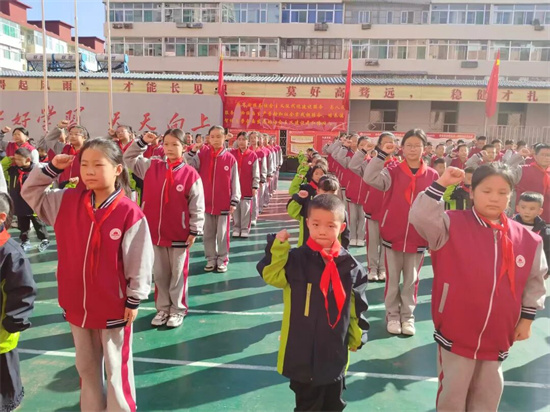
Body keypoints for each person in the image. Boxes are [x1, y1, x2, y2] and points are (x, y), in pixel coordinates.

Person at [22, 138, 154, 412]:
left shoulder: (129, 212)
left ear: (118, 169)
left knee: (116, 369)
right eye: (84, 165)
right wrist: (50, 169)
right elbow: (30, 192)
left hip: (113, 305)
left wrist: (134, 298)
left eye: (98, 165)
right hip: (76, 304)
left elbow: (139, 260)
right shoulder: (66, 201)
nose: (89, 171)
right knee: (85, 367)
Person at [410, 164, 547, 412]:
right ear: (472, 192)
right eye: (487, 191)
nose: (495, 198)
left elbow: (535, 281)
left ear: (511, 196)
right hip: (456, 328)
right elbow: (420, 216)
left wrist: (527, 318)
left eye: (502, 192)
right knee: (453, 390)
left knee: (488, 391)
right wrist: (441, 183)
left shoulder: (528, 239)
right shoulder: (450, 224)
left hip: (499, 332)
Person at [257, 194, 369, 412]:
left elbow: (357, 308)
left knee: (333, 404)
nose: (322, 231)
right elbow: (272, 275)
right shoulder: (296, 260)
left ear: (342, 227)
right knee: (307, 405)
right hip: (301, 354)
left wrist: (357, 336)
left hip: (334, 353)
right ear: (307, 223)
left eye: (330, 225)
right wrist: (278, 247)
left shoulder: (351, 267)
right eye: (316, 224)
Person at [124, 129, 205, 329]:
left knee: (177, 275)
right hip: (154, 234)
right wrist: (142, 141)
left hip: (179, 235)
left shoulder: (190, 174)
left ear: (184, 147)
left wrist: (194, 229)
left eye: (174, 145)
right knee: (160, 275)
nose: (169, 148)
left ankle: (177, 310)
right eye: (166, 144)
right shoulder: (152, 166)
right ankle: (162, 309)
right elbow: (128, 158)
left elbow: (197, 204)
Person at [361, 128, 439, 336]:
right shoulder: (392, 170)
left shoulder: (432, 175)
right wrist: (381, 155)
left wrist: (433, 236)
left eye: (417, 145)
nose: (413, 149)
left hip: (418, 237)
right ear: (402, 148)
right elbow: (370, 177)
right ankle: (393, 315)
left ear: (425, 149)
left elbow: (435, 208)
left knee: (411, 281)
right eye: (409, 145)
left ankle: (408, 316)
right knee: (393, 280)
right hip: (393, 234)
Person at [185, 126, 241, 273]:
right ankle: (210, 258)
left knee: (222, 234)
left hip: (224, 204)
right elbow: (189, 165)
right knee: (208, 234)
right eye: (213, 137)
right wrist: (193, 151)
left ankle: (222, 259)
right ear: (208, 138)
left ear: (224, 138)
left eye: (219, 137)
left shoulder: (230, 159)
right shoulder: (203, 154)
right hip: (206, 203)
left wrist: (234, 200)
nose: (215, 140)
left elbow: (235, 181)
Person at [0, 192, 36, 412]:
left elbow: (24, 290)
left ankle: (9, 403)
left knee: (5, 376)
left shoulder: (10, 253)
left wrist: (13, 321)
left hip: (2, 331)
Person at [349, 132, 399, 282]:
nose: (388, 145)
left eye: (391, 142)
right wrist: (364, 150)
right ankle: (372, 269)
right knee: (372, 242)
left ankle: (382, 269)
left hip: (390, 212)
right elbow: (353, 166)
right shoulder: (370, 163)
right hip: (373, 208)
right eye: (385, 142)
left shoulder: (398, 166)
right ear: (379, 145)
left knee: (386, 242)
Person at [7, 148, 50, 252]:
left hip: (33, 202)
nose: (16, 161)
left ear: (28, 159)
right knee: (23, 224)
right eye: (15, 159)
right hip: (19, 202)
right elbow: (2, 167)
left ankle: (44, 239)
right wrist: (8, 160)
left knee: (38, 222)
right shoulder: (13, 170)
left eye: (19, 159)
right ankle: (25, 241)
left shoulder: (36, 170)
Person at [333, 135, 367, 247]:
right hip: (352, 190)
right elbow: (338, 157)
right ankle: (352, 236)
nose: (363, 147)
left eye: (366, 145)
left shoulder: (370, 160)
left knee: (362, 216)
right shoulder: (350, 158)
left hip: (366, 193)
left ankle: (360, 237)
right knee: (352, 216)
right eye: (361, 144)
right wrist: (344, 146)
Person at [287, 164, 328, 246]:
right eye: (316, 173)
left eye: (322, 174)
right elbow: (293, 192)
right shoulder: (306, 188)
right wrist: (299, 198)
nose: (319, 176)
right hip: (306, 226)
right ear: (312, 175)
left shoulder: (328, 191)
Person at [507, 143, 550, 222]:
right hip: (523, 219)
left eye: (548, 155)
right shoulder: (523, 170)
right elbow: (505, 173)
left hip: (547, 219)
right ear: (535, 156)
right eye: (543, 155)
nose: (547, 158)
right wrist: (518, 156)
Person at [40, 119, 89, 189]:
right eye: (70, 134)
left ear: (84, 138)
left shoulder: (89, 152)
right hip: (63, 189)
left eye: (76, 134)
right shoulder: (64, 149)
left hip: (83, 188)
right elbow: (49, 140)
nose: (72, 136)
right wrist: (59, 128)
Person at [230, 132, 260, 238]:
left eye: (244, 139)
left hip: (247, 187)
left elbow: (256, 173)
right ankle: (236, 228)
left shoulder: (253, 155)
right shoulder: (232, 153)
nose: (241, 142)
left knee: (246, 209)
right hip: (234, 188)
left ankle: (245, 229)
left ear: (248, 141)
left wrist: (255, 186)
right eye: (239, 139)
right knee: (235, 209)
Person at [513, 192, 549, 278]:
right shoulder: (509, 226)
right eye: (523, 207)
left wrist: (548, 271)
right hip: (512, 268)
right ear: (517, 208)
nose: (527, 211)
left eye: (532, 209)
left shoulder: (544, 232)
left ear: (540, 211)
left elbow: (548, 252)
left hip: (533, 272)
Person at [249, 132, 267, 226]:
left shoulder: (261, 153)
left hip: (257, 179)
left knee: (255, 198)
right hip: (246, 179)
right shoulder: (247, 151)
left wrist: (262, 179)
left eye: (254, 138)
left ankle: (253, 217)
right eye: (251, 138)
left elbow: (264, 167)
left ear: (258, 139)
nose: (253, 139)